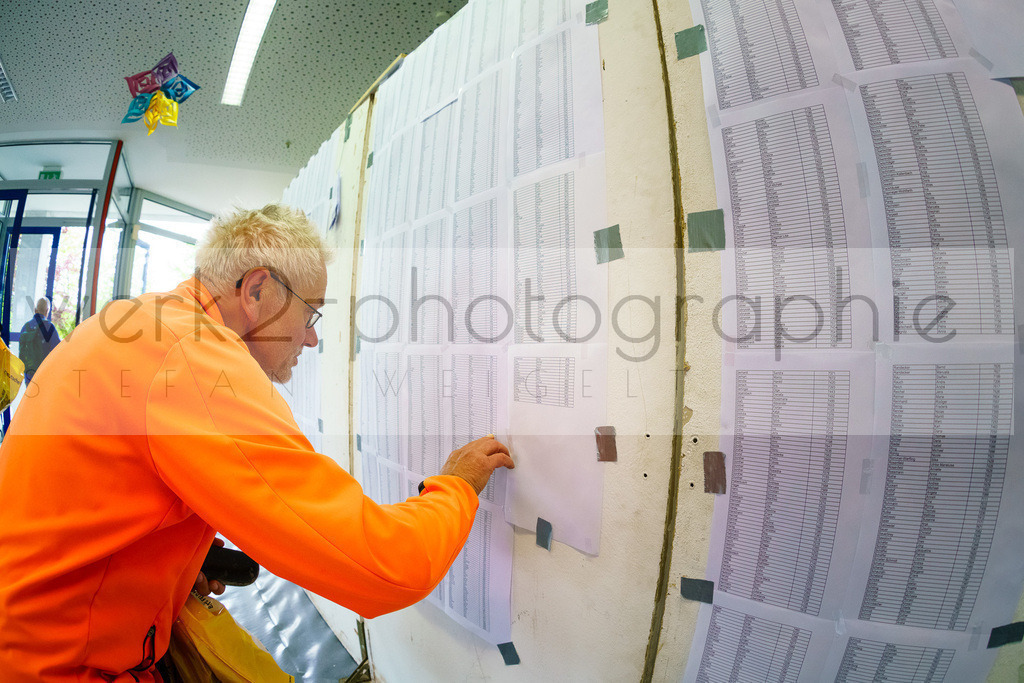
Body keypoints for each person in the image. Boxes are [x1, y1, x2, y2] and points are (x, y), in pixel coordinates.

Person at [0, 204, 514, 682]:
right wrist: (456, 486)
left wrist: (171, 563)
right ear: (257, 291)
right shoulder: (193, 360)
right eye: (310, 314)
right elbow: (382, 567)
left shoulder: (143, 323)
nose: (311, 339)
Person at [18, 296, 61, 382]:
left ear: (35, 310)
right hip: (43, 373)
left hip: (28, 373)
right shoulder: (49, 327)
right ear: (47, 311)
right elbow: (58, 350)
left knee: (31, 395)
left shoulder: (26, 327)